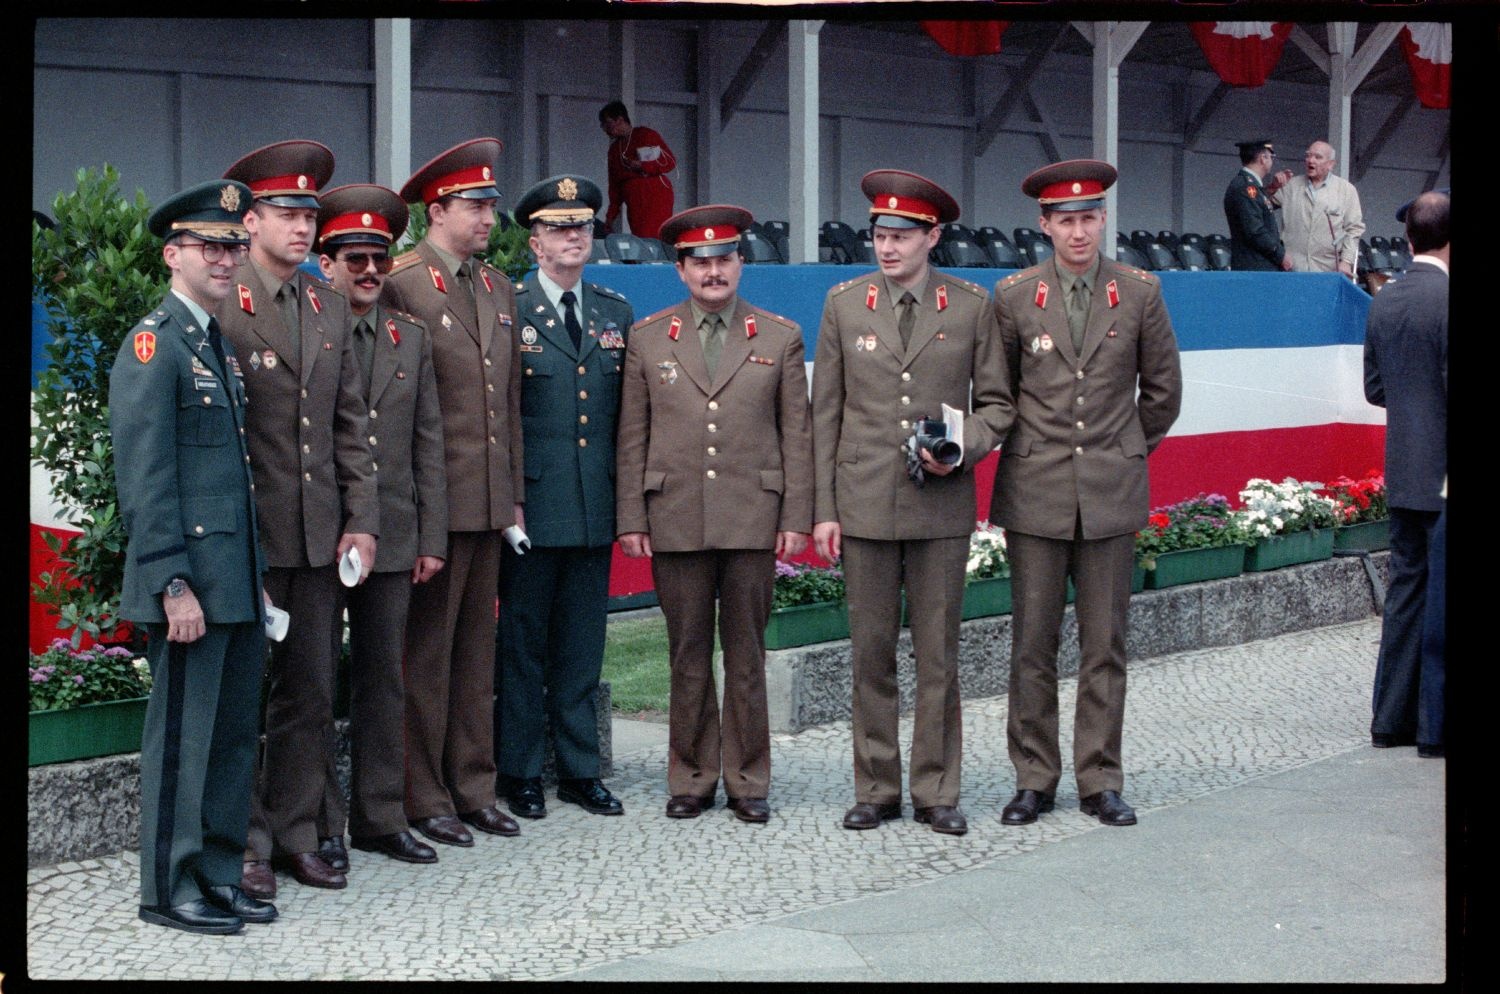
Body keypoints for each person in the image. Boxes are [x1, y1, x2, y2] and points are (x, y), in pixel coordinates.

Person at [811, 170, 1014, 837]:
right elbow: (827, 415)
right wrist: (823, 509)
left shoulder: (970, 306)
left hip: (939, 505)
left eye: (901, 235)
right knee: (869, 652)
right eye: (879, 234)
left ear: (933, 235)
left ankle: (935, 789)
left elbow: (997, 405)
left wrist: (961, 445)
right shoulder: (844, 305)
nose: (888, 247)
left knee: (937, 655)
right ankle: (876, 786)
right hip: (864, 500)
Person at [991, 160, 1183, 828]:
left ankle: (1100, 777)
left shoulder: (1139, 291)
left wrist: (1123, 449)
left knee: (1105, 644)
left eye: (1089, 218)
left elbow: (1162, 393)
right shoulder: (1014, 297)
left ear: (1103, 220)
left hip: (1109, 488)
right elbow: (999, 392)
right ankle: (1034, 778)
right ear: (1044, 225)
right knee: (1032, 644)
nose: (1078, 231)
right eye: (1065, 220)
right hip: (1036, 487)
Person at [113, 178, 277, 933]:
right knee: (182, 742)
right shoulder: (155, 343)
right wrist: (171, 581)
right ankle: (165, 888)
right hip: (190, 587)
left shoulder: (214, 341)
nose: (227, 258)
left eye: (234, 245)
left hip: (233, 584)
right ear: (173, 252)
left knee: (231, 738)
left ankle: (215, 872)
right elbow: (146, 479)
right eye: (212, 245)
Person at [616, 205, 812, 823]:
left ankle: (749, 779)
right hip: (674, 516)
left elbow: (797, 435)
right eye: (700, 261)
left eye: (724, 259)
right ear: (679, 270)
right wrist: (632, 518)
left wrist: (796, 517)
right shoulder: (648, 339)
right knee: (688, 651)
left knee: (747, 653)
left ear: (740, 265)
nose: (713, 271)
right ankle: (693, 775)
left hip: (754, 515)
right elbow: (632, 436)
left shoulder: (779, 336)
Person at [218, 141, 378, 898]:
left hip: (321, 535)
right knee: (244, 692)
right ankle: (245, 842)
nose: (302, 226)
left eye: (309, 213)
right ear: (250, 221)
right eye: (286, 212)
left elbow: (352, 425)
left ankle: (297, 832)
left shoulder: (325, 303)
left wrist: (363, 519)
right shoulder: (224, 301)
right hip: (251, 534)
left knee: (312, 689)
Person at [381, 138, 524, 848]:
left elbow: (508, 405)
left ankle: (474, 785)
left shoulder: (498, 288)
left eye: (492, 205)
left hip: (489, 504)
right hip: (434, 508)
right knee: (426, 659)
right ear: (435, 211)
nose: (488, 217)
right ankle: (421, 794)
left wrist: (513, 499)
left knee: (475, 657)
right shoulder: (403, 282)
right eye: (475, 205)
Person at [312, 184, 449, 865]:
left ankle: (379, 814)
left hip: (391, 533)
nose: (369, 272)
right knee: (305, 682)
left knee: (383, 677)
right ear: (325, 262)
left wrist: (431, 537)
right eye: (354, 258)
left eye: (379, 259)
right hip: (316, 533)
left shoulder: (409, 338)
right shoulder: (307, 329)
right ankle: (316, 823)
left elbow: (428, 443)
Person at [495, 175, 633, 820]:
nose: (573, 237)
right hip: (531, 508)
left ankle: (581, 771)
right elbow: (500, 415)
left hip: (592, 509)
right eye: (558, 227)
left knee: (582, 648)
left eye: (581, 226)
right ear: (535, 240)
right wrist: (508, 502)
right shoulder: (508, 308)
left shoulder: (614, 311)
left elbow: (625, 423)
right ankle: (518, 772)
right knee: (522, 648)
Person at [1364, 189, 1448, 758]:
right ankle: (1434, 729)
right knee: (1443, 600)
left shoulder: (1384, 300)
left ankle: (1389, 720)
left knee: (1406, 593)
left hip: (1404, 470)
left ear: (1410, 239)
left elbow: (1375, 389)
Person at [1273, 140, 1365, 277]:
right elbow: (1261, 206)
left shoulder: (1346, 190)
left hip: (1327, 271)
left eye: (1318, 157)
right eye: (1308, 156)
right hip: (1291, 269)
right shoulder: (1290, 186)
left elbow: (1354, 229)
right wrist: (1272, 187)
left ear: (1331, 164)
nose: (1311, 160)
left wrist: (1346, 261)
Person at [599, 100, 676, 240]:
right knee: (640, 238)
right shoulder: (614, 150)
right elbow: (614, 187)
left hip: (655, 195)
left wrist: (642, 165)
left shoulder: (646, 134)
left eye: (607, 123)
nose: (605, 129)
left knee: (655, 236)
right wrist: (610, 216)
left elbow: (669, 162)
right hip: (634, 201)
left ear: (620, 120)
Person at [1223, 139, 1293, 272]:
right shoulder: (1246, 187)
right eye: (1271, 157)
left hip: (1257, 266)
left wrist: (1272, 188)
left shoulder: (1250, 186)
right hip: (1255, 266)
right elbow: (1255, 230)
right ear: (1263, 159)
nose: (1272, 161)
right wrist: (1280, 254)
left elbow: (1260, 206)